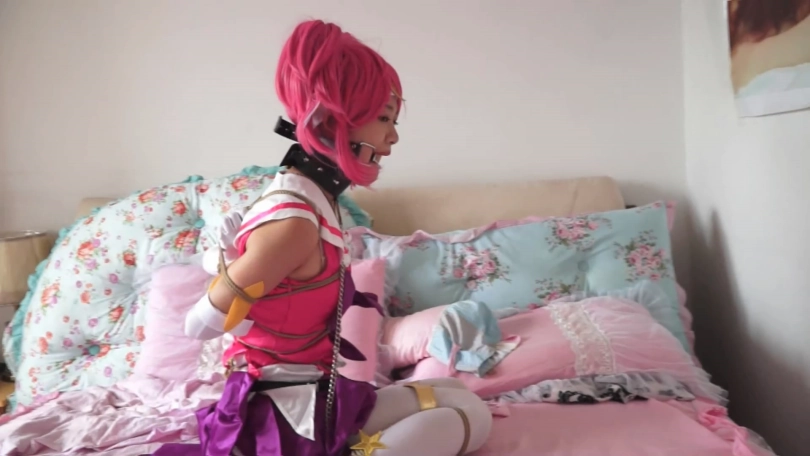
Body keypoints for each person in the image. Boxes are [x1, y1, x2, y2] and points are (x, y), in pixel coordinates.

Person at [152, 19, 492, 456]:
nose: (393, 136)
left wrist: (234, 263)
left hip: (319, 394)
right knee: (468, 418)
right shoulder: (294, 222)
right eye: (383, 119)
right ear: (333, 119)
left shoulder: (314, 202)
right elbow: (199, 325)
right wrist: (228, 266)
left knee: (455, 394)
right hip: (286, 413)